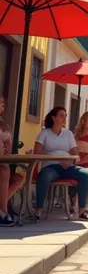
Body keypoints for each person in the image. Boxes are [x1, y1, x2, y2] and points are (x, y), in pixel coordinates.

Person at [34, 107, 88, 222]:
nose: (64, 118)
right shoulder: (44, 133)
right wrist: (52, 156)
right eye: (61, 115)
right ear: (53, 117)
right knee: (44, 175)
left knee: (85, 174)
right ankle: (39, 209)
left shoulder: (68, 134)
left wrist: (70, 162)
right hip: (51, 166)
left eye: (65, 116)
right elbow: (37, 152)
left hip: (68, 166)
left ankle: (82, 211)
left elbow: (76, 154)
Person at [0, 96, 24, 227]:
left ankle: (1, 212)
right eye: (0, 103)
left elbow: (8, 146)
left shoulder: (3, 125)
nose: (3, 105)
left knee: (19, 178)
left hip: (2, 161)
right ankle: (3, 214)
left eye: (3, 103)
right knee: (4, 171)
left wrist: (8, 146)